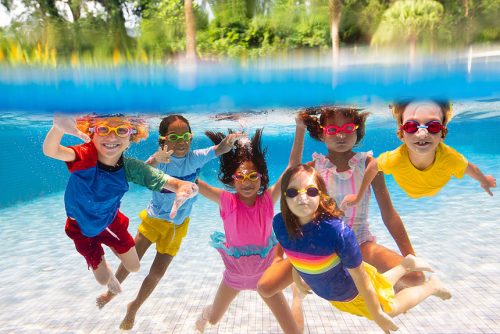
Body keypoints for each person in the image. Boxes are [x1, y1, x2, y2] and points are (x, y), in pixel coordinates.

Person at [258, 107, 422, 304]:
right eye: (332, 130)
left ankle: (364, 283)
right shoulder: (313, 169)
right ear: (321, 132)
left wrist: (410, 255)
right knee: (266, 287)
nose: (341, 135)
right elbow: (290, 201)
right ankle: (306, 274)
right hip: (318, 244)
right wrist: (300, 128)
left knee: (416, 277)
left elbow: (389, 215)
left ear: (357, 129)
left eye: (348, 128)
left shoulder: (369, 165)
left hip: (360, 242)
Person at [95, 115, 243, 330]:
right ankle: (111, 292)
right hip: (154, 220)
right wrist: (156, 158)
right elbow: (141, 172)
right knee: (131, 260)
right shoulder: (162, 160)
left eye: (186, 136)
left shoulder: (195, 158)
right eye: (174, 137)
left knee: (156, 274)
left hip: (177, 225)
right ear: (163, 140)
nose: (181, 141)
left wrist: (227, 143)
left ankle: (133, 308)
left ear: (191, 138)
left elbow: (218, 150)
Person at [274, 164, 452, 333]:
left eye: (311, 191)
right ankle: (406, 265)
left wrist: (377, 314)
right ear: (284, 196)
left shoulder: (338, 232)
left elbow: (362, 279)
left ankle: (432, 286)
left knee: (389, 309)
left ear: (321, 196)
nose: (302, 198)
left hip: (355, 289)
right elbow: (296, 253)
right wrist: (297, 278)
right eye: (292, 192)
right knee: (380, 286)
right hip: (336, 289)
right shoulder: (280, 224)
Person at [42, 114, 198, 297]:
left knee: (134, 267)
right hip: (81, 227)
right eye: (103, 129)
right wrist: (58, 128)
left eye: (121, 130)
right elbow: (51, 151)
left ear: (131, 138)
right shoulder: (83, 155)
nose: (112, 137)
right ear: (92, 133)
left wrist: (182, 186)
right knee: (102, 279)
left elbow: (162, 179)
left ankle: (114, 247)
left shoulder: (129, 168)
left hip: (110, 221)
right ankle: (103, 259)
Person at [195, 129, 303, 334]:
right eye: (241, 176)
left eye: (253, 176)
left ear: (262, 178)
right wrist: (177, 162)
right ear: (232, 178)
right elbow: (193, 182)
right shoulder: (226, 201)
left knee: (293, 331)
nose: (247, 182)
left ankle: (297, 297)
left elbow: (292, 168)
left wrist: (301, 127)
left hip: (265, 277)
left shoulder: (267, 201)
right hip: (234, 276)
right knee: (214, 319)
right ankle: (203, 315)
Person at [341, 100, 496, 208]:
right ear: (401, 134)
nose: (422, 133)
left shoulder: (450, 158)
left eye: (433, 126)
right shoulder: (395, 159)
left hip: (436, 188)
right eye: (411, 126)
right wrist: (358, 196)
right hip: (409, 190)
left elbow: (471, 168)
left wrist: (484, 180)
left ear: (443, 133)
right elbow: (373, 166)